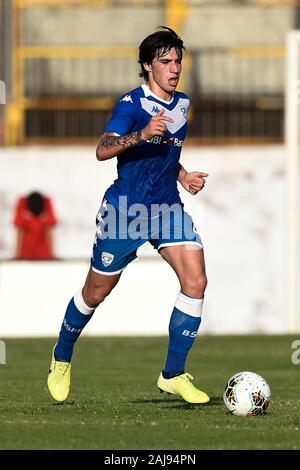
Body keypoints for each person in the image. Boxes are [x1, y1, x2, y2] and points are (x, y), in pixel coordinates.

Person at [47, 26, 210, 404]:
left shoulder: (182, 104)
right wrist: (138, 135)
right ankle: (61, 355)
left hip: (168, 207)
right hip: (126, 211)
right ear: (147, 66)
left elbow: (166, 149)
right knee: (95, 292)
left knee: (196, 280)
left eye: (178, 61)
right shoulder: (131, 105)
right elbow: (103, 150)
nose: (174, 68)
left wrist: (183, 176)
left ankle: (173, 373)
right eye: (165, 61)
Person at [13, 191, 57, 260]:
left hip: (43, 254)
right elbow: (20, 231)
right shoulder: (23, 206)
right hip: (27, 254)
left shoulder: (46, 206)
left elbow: (49, 230)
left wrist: (51, 254)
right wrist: (17, 255)